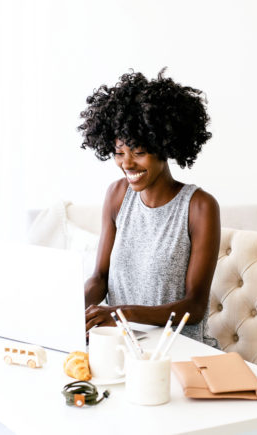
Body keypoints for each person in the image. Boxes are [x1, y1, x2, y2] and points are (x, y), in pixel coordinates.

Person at [78, 68, 220, 345]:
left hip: (174, 349)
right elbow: (100, 277)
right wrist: (71, 308)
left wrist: (121, 314)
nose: (127, 164)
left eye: (139, 153)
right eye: (119, 153)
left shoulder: (199, 207)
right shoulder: (117, 196)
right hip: (118, 343)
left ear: (165, 147)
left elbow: (195, 306)